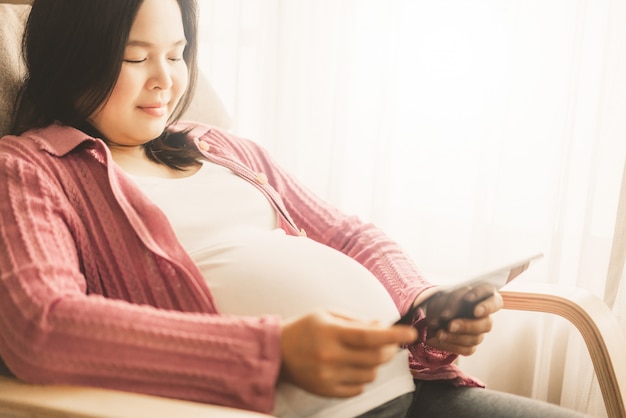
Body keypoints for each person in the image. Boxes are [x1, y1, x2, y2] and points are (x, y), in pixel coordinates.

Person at [0, 1, 588, 417]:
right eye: (136, 57)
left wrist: (424, 305)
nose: (166, 81)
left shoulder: (218, 146)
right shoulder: (31, 170)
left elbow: (349, 235)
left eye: (177, 55)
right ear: (71, 58)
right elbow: (40, 326)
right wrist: (274, 354)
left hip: (410, 392)